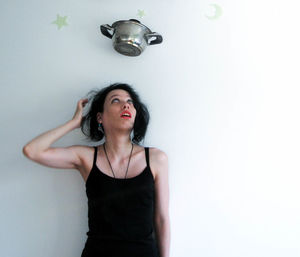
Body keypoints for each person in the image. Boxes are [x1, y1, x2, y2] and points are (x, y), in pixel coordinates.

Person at [22, 83, 170, 257]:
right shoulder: (86, 157)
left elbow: (161, 219)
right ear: (100, 117)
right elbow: (32, 151)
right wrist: (73, 123)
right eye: (116, 100)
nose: (126, 105)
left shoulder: (155, 158)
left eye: (130, 102)